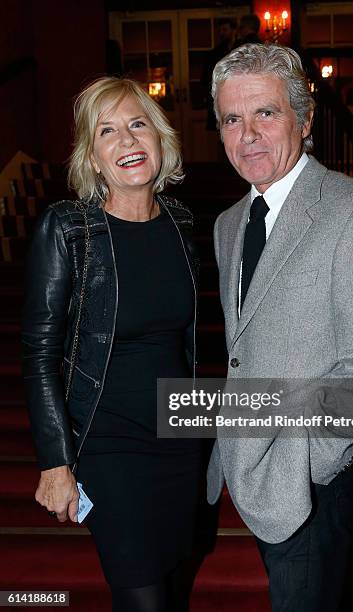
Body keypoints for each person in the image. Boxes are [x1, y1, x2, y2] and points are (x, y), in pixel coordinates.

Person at [206, 43, 353, 611]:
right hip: (251, 473)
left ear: (305, 118)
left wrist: (303, 455)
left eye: (265, 113)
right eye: (232, 119)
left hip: (320, 482)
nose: (247, 134)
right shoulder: (228, 225)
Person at [22, 76, 205, 612]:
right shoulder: (67, 229)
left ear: (160, 140)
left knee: (171, 587)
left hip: (178, 442)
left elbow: (187, 345)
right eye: (108, 131)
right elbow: (38, 355)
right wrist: (56, 462)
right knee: (142, 595)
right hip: (108, 444)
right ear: (94, 158)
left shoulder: (182, 223)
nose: (127, 140)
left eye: (137, 125)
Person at [201, 18, 237, 130]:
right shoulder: (214, 54)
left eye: (225, 29)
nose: (222, 33)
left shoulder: (240, 49)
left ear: (233, 30)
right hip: (220, 100)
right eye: (220, 30)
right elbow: (206, 79)